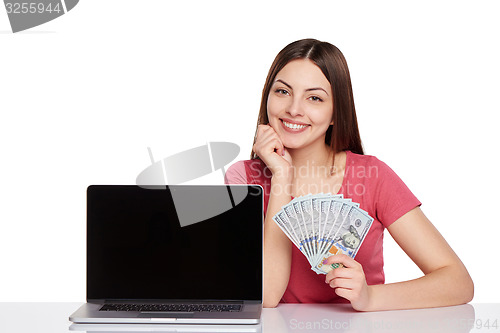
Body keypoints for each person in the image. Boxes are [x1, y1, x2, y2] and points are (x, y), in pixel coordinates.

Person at [224, 39, 473, 311]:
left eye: (314, 98)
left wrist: (370, 297)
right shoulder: (243, 179)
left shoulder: (372, 176)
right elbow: (266, 296)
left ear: (335, 113)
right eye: (283, 91)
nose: (294, 109)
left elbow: (457, 281)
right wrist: (282, 175)